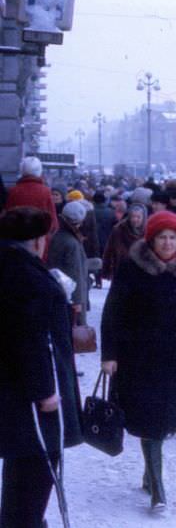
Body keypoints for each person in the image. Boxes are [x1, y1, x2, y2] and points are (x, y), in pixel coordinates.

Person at [101, 211, 176, 512]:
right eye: (162, 237)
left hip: (172, 357)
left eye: (173, 237)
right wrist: (109, 355)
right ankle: (158, 490)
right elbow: (113, 313)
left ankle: (149, 473)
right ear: (150, 240)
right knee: (150, 422)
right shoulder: (131, 268)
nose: (167, 243)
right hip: (137, 356)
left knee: (164, 421)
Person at [0, 208, 83, 527]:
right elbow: (32, 340)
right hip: (33, 399)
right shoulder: (27, 277)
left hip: (13, 392)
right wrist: (45, 391)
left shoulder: (12, 268)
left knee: (21, 464)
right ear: (36, 241)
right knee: (39, 463)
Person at [48, 201, 90, 326]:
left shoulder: (56, 236)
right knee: (74, 334)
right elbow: (75, 272)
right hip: (71, 296)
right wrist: (77, 301)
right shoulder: (72, 243)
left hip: (58, 291)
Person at [5, 157, 59, 241]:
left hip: (15, 241)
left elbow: (6, 218)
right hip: (38, 243)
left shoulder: (12, 191)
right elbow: (53, 223)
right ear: (39, 171)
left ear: (22, 170)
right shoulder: (45, 192)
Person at [102, 203, 147, 280]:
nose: (135, 219)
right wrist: (106, 269)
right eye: (133, 216)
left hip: (143, 271)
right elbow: (109, 249)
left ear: (143, 218)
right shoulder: (119, 229)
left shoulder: (148, 230)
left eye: (138, 217)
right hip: (122, 270)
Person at [93, 190, 116, 288]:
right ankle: (108, 277)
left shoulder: (90, 212)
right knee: (106, 260)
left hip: (94, 240)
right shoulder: (111, 212)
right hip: (107, 239)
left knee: (96, 261)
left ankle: (98, 281)